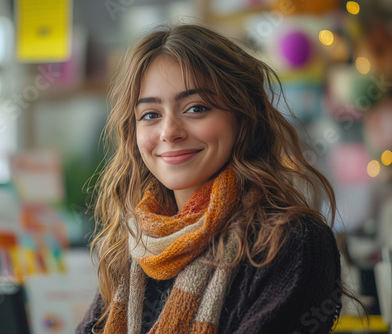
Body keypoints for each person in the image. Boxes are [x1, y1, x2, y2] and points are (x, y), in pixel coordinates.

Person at [76, 24, 357, 334]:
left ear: (242, 117)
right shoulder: (135, 247)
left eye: (196, 108)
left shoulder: (291, 243)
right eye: (150, 114)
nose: (169, 131)